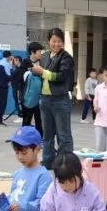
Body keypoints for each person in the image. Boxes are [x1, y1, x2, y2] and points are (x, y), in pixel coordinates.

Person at [34, 28, 76, 169]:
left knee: (63, 135)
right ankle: (48, 162)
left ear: (63, 42)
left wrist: (42, 72)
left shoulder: (66, 58)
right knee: (47, 134)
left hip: (60, 99)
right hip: (45, 99)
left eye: (59, 41)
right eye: (53, 41)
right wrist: (35, 71)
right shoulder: (44, 56)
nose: (56, 44)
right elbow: (40, 75)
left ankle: (65, 164)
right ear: (48, 41)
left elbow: (61, 77)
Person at [19, 41, 44, 129]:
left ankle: (40, 136)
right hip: (28, 97)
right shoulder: (25, 63)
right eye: (39, 51)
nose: (41, 54)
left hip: (39, 97)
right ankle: (25, 136)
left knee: (40, 121)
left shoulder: (42, 63)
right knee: (26, 120)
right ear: (33, 52)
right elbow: (19, 78)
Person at [0, 50, 13, 126]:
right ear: (9, 56)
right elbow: (8, 76)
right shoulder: (6, 64)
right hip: (3, 86)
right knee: (2, 104)